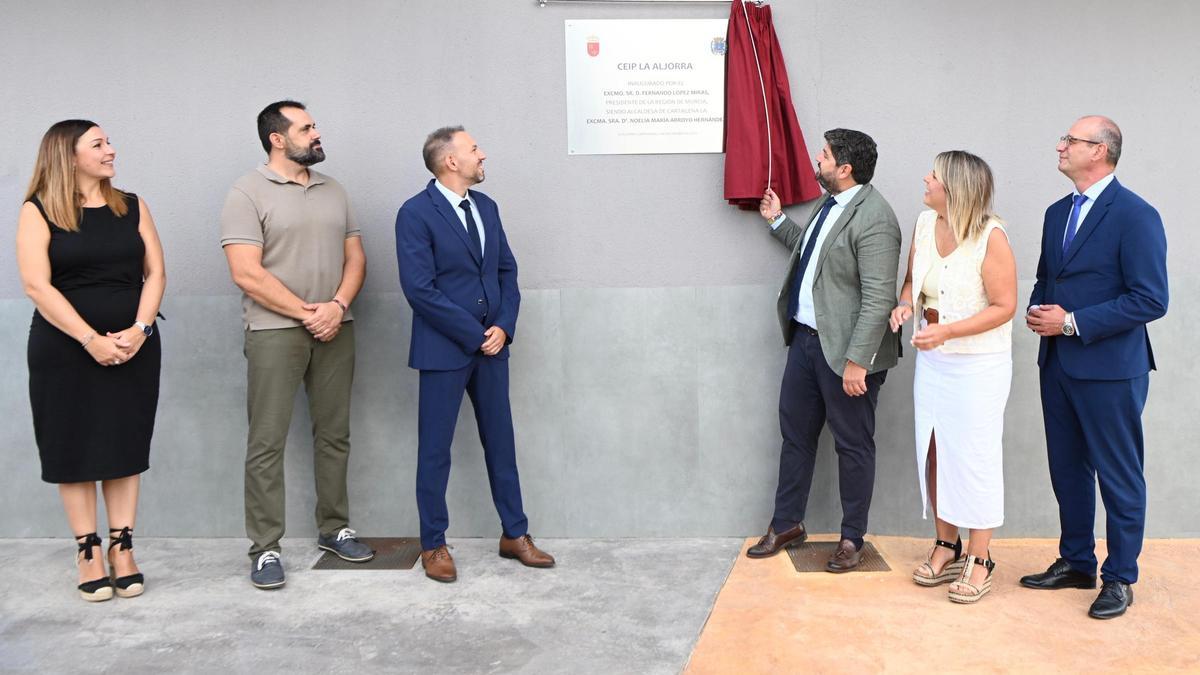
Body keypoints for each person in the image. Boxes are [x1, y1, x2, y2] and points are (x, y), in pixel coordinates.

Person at [220, 100, 373, 590]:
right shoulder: (245, 193)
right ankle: (265, 549)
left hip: (336, 325)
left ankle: (334, 528)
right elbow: (245, 272)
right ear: (278, 139)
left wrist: (337, 305)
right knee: (266, 441)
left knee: (334, 434)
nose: (317, 132)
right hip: (274, 333)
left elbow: (356, 258)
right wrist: (308, 312)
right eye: (307, 127)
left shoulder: (335, 190)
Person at [1020, 116, 1168, 620]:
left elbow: (1151, 299)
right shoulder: (1056, 212)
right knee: (1067, 469)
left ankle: (1120, 577)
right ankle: (1077, 561)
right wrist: (1040, 309)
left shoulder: (1135, 215)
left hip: (1110, 368)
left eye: (1071, 140)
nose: (1060, 145)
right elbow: (1048, 276)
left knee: (1119, 475)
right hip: (1058, 364)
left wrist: (1073, 322)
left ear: (1100, 151)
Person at [395, 126, 554, 583]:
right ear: (450, 161)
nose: (482, 154)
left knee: (501, 444)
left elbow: (507, 270)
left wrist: (503, 326)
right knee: (435, 451)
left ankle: (515, 534)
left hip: (492, 349)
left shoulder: (487, 207)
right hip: (444, 349)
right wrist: (475, 333)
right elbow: (419, 289)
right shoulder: (415, 214)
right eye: (473, 149)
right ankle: (433, 544)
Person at [16, 120, 165, 601]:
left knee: (124, 447)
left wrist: (141, 330)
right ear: (68, 155)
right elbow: (37, 286)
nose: (111, 150)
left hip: (133, 347)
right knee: (74, 450)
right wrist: (88, 339)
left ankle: (123, 548)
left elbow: (156, 272)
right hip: (65, 350)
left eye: (108, 142)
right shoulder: (38, 211)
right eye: (98, 144)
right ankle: (88, 552)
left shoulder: (132, 206)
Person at [747, 128, 901, 572]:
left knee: (853, 446)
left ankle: (853, 538)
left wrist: (857, 362)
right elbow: (813, 256)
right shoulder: (829, 205)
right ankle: (788, 523)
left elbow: (877, 298)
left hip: (847, 356)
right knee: (795, 437)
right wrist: (778, 222)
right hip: (806, 344)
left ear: (845, 168)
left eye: (825, 155)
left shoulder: (876, 218)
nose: (818, 159)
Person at [888, 151, 1016, 603]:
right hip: (935, 360)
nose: (925, 178)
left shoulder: (990, 236)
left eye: (935, 175)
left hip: (979, 364)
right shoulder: (926, 224)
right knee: (935, 448)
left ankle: (980, 559)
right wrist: (906, 306)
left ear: (956, 187)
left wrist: (948, 330)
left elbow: (1005, 307)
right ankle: (947, 543)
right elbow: (911, 281)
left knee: (975, 455)